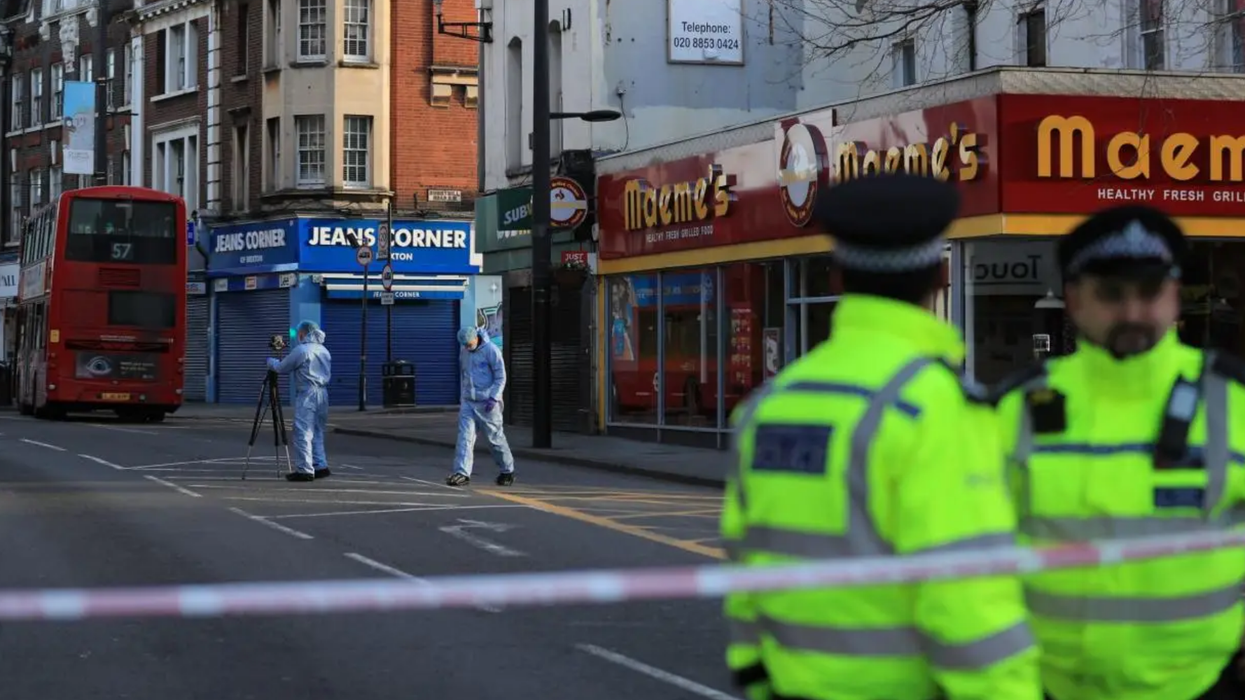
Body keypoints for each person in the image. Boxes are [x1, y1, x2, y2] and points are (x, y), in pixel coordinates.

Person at [721, 172, 1041, 700]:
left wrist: (756, 673)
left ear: (836, 280)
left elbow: (745, 561)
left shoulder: (768, 406)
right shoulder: (934, 406)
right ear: (940, 277)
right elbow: (967, 596)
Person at [991, 205, 1245, 700]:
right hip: (1046, 687)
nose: (1132, 312)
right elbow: (977, 557)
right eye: (1111, 293)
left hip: (1202, 687)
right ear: (1074, 299)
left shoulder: (1233, 399)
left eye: (1149, 292)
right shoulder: (1014, 409)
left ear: (1174, 296)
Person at [447, 325, 515, 487]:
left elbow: (500, 376)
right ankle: (462, 472)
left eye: (469, 344)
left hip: (488, 404)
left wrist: (494, 397)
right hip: (469, 402)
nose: (467, 347)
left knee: (494, 439)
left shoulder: (491, 350)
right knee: (464, 438)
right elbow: (464, 374)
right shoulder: (465, 352)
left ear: (476, 338)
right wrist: (463, 397)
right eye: (465, 345)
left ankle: (507, 470)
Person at [266, 320, 332, 483]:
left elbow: (282, 368)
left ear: (303, 333)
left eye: (298, 333)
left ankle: (304, 470)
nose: (297, 336)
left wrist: (271, 361)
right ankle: (320, 465)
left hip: (308, 393)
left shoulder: (302, 350)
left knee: (303, 431)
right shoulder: (324, 350)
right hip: (323, 393)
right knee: (317, 430)